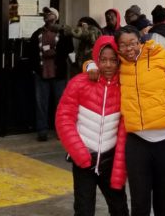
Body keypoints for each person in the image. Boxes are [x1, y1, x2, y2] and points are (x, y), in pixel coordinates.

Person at [113, 26, 165, 216]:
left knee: (163, 203)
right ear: (118, 47)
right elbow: (100, 59)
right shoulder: (119, 64)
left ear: (140, 40)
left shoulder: (162, 55)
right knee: (139, 203)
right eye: (123, 45)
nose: (129, 49)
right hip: (137, 142)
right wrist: (89, 65)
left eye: (132, 43)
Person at [56, 36, 129, 216]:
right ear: (96, 59)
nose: (108, 65)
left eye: (113, 60)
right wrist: (79, 152)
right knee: (83, 209)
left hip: (111, 161)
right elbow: (64, 118)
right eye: (103, 60)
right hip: (83, 160)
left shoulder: (125, 86)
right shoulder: (79, 83)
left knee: (119, 208)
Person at [31, 6, 73, 141]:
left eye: (48, 13)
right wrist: (34, 68)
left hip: (58, 73)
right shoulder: (37, 33)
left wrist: (56, 53)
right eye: (44, 14)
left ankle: (61, 131)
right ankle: (42, 131)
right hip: (41, 72)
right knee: (41, 103)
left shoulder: (63, 33)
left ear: (55, 16)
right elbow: (31, 52)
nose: (45, 15)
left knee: (60, 104)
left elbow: (69, 49)